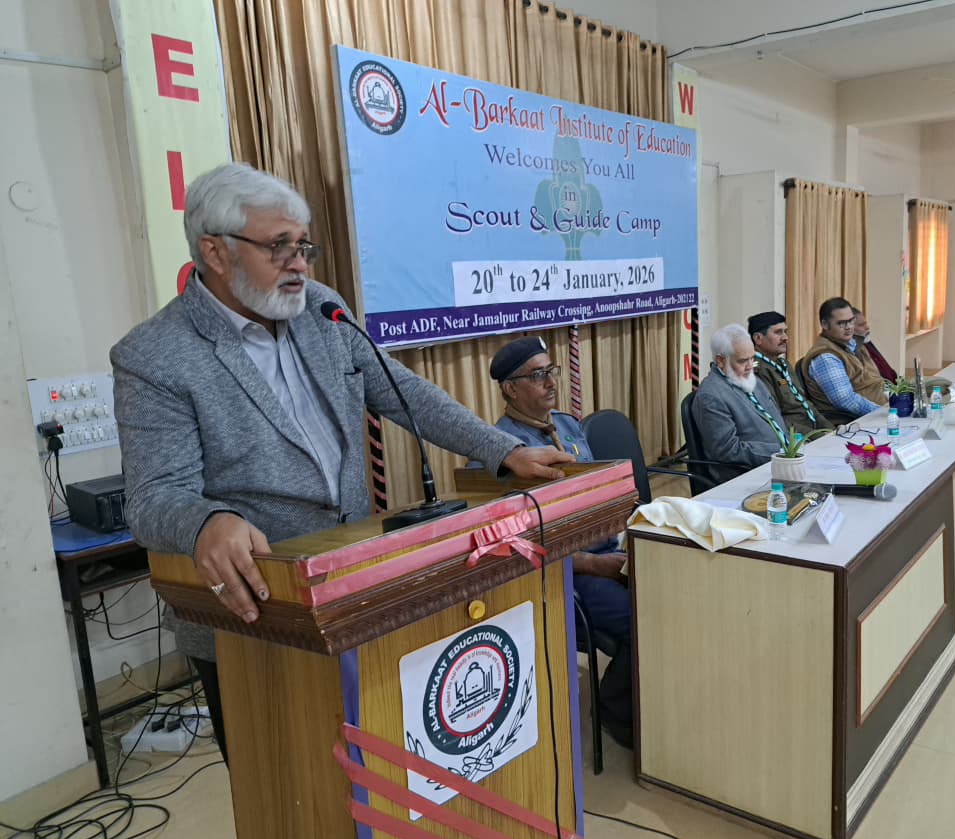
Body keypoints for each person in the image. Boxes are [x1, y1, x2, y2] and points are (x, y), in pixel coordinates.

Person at [111, 164, 573, 764]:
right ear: (216, 252)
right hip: (257, 614)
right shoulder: (155, 356)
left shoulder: (321, 309)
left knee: (380, 765)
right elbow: (152, 497)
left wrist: (502, 449)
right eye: (279, 246)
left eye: (303, 245)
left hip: (353, 585)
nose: (299, 264)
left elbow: (405, 393)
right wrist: (206, 522)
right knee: (286, 783)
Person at [487, 336, 633, 747]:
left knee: (672, 589)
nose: (552, 382)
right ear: (510, 389)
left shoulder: (568, 426)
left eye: (551, 371)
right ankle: (614, 710)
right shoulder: (500, 452)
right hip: (562, 572)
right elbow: (514, 546)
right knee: (640, 617)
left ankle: (653, 696)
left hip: (608, 550)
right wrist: (593, 563)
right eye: (538, 376)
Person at [692, 324, 790, 484]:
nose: (750, 366)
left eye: (752, 358)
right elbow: (728, 450)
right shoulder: (711, 396)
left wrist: (794, 447)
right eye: (743, 361)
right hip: (745, 475)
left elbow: (776, 422)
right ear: (721, 361)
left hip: (779, 464)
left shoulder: (751, 379)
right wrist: (780, 452)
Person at [800, 297, 888, 426]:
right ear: (825, 324)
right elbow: (846, 401)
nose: (849, 327)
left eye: (851, 321)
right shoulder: (825, 357)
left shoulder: (853, 345)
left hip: (879, 413)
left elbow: (875, 381)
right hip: (855, 423)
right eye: (841, 323)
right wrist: (883, 412)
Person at [748, 311, 831, 436]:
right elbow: (775, 417)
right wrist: (817, 436)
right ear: (758, 338)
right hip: (795, 437)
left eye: (785, 332)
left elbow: (804, 402)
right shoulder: (757, 371)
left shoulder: (783, 364)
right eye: (778, 332)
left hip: (812, 430)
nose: (785, 338)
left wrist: (830, 430)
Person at [852, 307, 898, 383]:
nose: (867, 327)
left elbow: (887, 370)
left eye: (865, 323)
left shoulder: (867, 343)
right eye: (861, 325)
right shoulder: (854, 351)